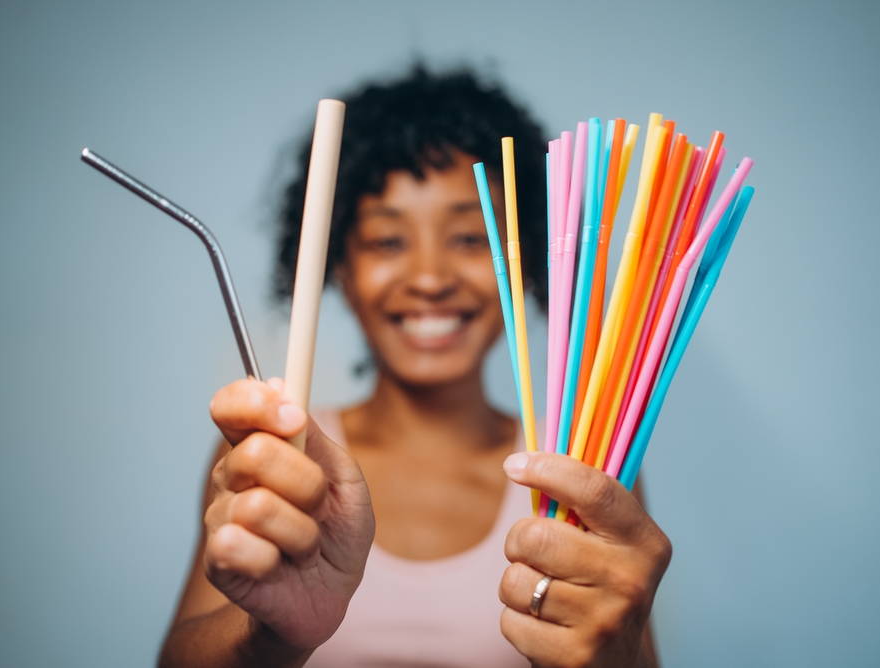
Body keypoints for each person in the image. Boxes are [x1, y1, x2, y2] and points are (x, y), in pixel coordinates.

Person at [159, 66, 671, 668]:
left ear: (526, 257)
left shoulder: (583, 472)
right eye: (387, 241)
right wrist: (266, 636)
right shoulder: (276, 458)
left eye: (470, 238)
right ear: (334, 266)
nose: (430, 279)